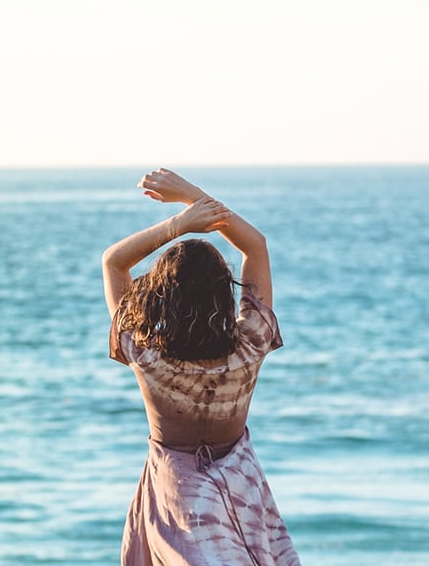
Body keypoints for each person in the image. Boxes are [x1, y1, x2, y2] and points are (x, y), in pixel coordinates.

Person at [102, 169, 301, 566]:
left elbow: (114, 262)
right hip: (241, 482)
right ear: (225, 291)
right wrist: (193, 197)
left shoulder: (146, 355)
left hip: (177, 490)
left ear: (160, 296)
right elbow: (255, 247)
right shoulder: (250, 344)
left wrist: (180, 224)